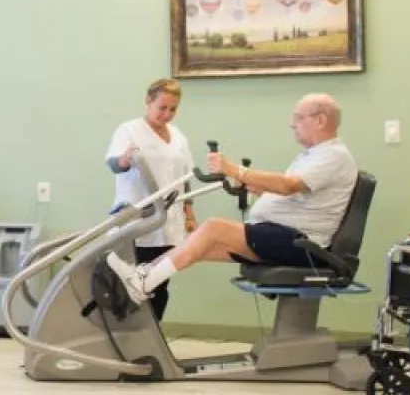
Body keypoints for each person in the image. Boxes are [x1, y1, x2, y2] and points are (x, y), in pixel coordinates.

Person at [106, 93, 358, 305]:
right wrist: (251, 186)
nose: (292, 124)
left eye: (298, 118)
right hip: (282, 237)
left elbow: (288, 186)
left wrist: (234, 169)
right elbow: (294, 195)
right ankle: (142, 278)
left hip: (302, 245)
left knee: (214, 228)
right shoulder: (314, 155)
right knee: (193, 244)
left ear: (321, 120)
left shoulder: (333, 155)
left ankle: (141, 284)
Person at [104, 78, 198, 320]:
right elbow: (114, 164)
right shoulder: (129, 130)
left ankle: (151, 338)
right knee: (133, 287)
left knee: (160, 288)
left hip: (169, 222)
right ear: (148, 101)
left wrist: (190, 214)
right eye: (162, 107)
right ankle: (128, 339)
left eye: (173, 109)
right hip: (139, 222)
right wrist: (125, 160)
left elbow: (186, 176)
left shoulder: (178, 136)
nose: (167, 115)